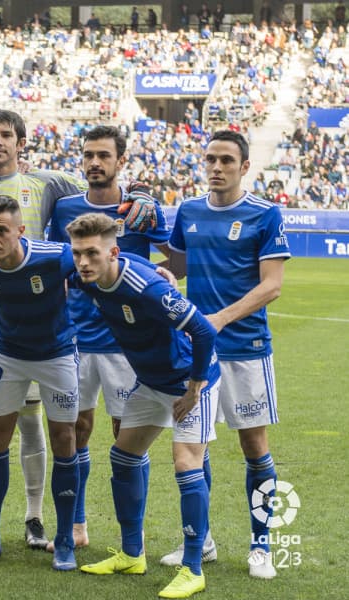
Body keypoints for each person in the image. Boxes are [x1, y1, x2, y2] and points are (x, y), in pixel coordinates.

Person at [0, 109, 156, 547]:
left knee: (33, 421)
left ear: (22, 142)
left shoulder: (48, 183)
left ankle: (35, 517)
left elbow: (101, 188)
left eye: (5, 135)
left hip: (36, 322)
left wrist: (141, 190)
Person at [68, 212, 219, 600]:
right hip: (151, 382)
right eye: (78, 253)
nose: (84, 262)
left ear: (112, 252)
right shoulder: (87, 275)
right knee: (124, 456)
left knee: (186, 463)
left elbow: (202, 330)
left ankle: (193, 567)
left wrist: (194, 389)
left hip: (191, 381)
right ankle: (132, 554)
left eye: (92, 254)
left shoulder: (144, 288)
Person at [164, 130, 291, 580]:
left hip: (247, 350)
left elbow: (271, 285)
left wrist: (218, 319)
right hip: (197, 352)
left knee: (254, 447)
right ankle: (202, 541)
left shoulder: (264, 214)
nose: (216, 168)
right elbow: (176, 266)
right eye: (210, 160)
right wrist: (158, 265)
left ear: (244, 167)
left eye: (225, 161)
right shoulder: (189, 211)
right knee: (195, 449)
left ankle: (262, 546)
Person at [47, 125, 170, 552]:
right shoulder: (65, 208)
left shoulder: (139, 209)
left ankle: (128, 536)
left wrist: (161, 277)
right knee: (74, 430)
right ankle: (77, 525)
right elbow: (55, 264)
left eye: (103, 155)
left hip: (126, 345)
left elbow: (178, 259)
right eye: (88, 155)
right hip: (76, 340)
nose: (95, 163)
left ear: (121, 160)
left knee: (127, 435)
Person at [0, 195, 80, 571]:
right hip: (7, 355)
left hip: (57, 354)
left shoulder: (54, 256)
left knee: (64, 440)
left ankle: (63, 540)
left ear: (21, 231)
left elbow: (101, 259)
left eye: (1, 231)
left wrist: (154, 270)